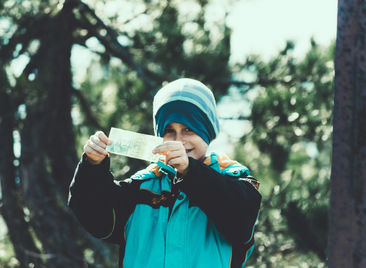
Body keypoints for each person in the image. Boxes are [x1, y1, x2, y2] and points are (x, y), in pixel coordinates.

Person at [68, 78, 261, 268]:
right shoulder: (141, 188)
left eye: (188, 129)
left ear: (206, 131)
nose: (179, 140)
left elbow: (241, 223)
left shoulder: (234, 181)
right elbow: (94, 218)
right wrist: (93, 166)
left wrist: (190, 172)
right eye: (169, 130)